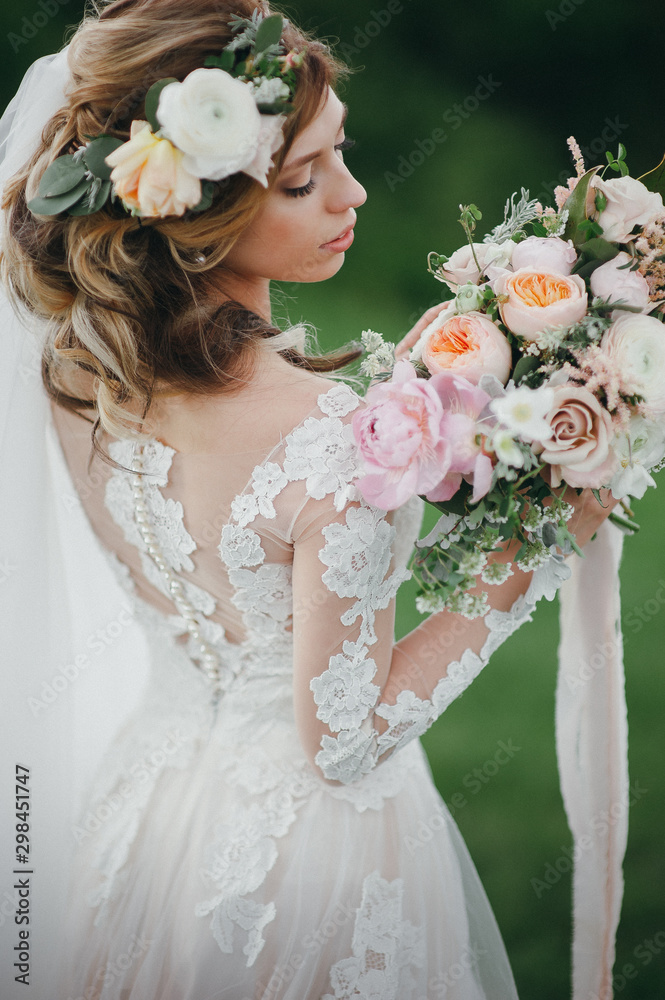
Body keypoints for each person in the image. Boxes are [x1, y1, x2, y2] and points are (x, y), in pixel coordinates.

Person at [0, 1, 621, 997]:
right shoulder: (329, 436)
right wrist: (538, 548)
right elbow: (343, 739)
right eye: (303, 179)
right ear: (196, 219)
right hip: (302, 867)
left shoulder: (79, 377)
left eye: (343, 151)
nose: (355, 192)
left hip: (154, 810)